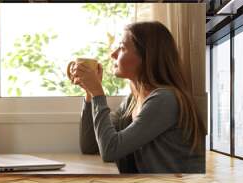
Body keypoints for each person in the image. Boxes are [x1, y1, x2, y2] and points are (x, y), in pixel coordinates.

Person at [69, 21, 205, 173]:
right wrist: (90, 93)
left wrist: (98, 93)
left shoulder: (165, 100)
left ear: (146, 56)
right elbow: (90, 146)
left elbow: (110, 151)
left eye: (121, 48)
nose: (113, 54)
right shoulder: (132, 100)